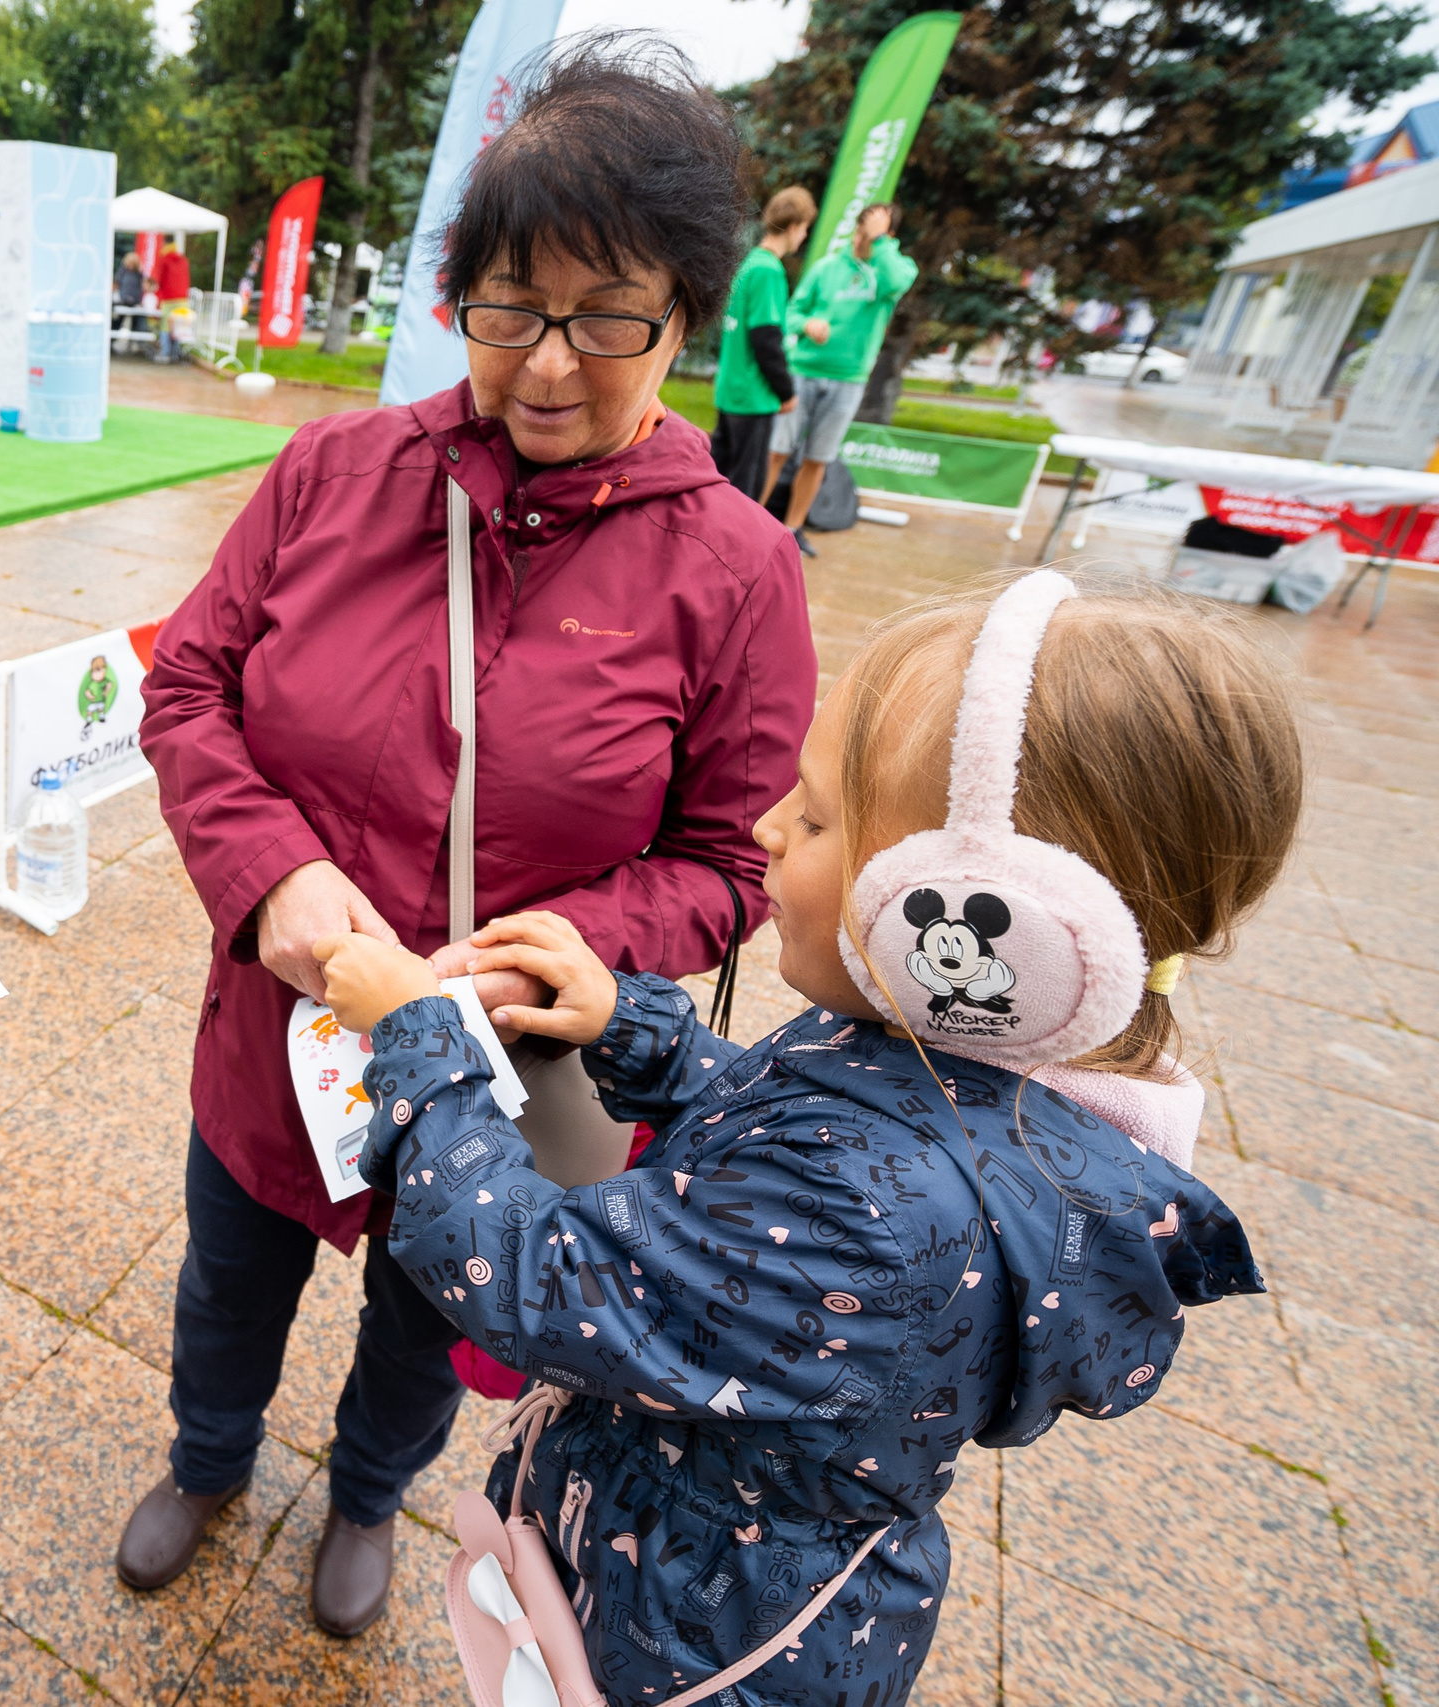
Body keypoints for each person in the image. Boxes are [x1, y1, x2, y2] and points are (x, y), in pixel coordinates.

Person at [311, 571, 1300, 1701]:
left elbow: (529, 1273)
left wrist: (413, 1040)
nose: (766, 828)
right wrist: (627, 1025)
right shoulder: (966, 1072)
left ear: (990, 920)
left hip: (672, 1643)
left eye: (818, 817)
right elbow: (802, 1127)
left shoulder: (870, 1217)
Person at [129, 36, 813, 1638]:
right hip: (279, 1026)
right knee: (229, 1277)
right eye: (510, 308)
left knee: (432, 1312)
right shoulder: (337, 470)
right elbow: (189, 685)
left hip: (502, 1073)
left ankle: (369, 1494)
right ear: (462, 296)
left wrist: (585, 948)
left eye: (606, 317)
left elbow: (734, 862)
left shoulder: (736, 569)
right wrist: (269, 873)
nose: (551, 365)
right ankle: (206, 1454)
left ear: (687, 316)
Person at [775, 202, 918, 556]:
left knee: (817, 459)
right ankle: (754, 524)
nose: (859, 239)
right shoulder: (826, 267)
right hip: (803, 372)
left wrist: (879, 240)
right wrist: (806, 324)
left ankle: (792, 530)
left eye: (867, 233)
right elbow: (792, 310)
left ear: (888, 236)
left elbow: (898, 281)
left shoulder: (893, 271)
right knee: (776, 450)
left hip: (849, 381)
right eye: (858, 230)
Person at [708, 185, 813, 500]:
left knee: (718, 479)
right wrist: (786, 391)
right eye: (806, 227)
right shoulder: (769, 271)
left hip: (731, 389)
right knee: (744, 490)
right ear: (794, 226)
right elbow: (766, 338)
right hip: (753, 396)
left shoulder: (750, 263)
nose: (805, 236)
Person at [153, 235, 193, 361]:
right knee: (178, 326)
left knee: (166, 326)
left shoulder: (164, 259)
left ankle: (165, 353)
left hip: (168, 297)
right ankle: (175, 353)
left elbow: (160, 279)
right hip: (182, 297)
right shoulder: (183, 260)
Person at [114, 250, 147, 344]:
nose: (130, 265)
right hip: (123, 301)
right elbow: (117, 284)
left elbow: (143, 286)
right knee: (117, 322)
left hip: (136, 302)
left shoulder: (139, 274)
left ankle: (139, 344)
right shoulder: (122, 272)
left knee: (139, 323)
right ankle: (112, 341)